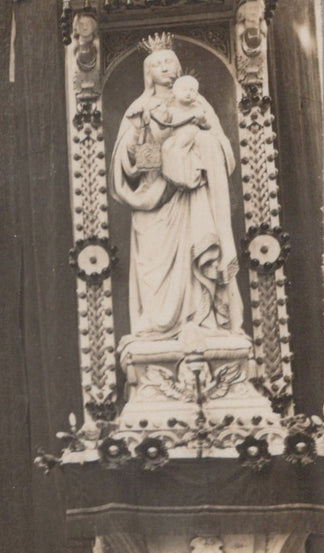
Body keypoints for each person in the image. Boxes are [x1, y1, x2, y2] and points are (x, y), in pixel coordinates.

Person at [111, 38, 242, 348]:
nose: (165, 67)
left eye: (169, 62)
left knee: (200, 260)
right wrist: (156, 147)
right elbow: (130, 164)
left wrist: (199, 145)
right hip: (155, 202)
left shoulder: (199, 104)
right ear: (148, 73)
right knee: (156, 275)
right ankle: (158, 326)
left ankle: (204, 323)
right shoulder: (139, 109)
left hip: (194, 197)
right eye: (157, 64)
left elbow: (224, 151)